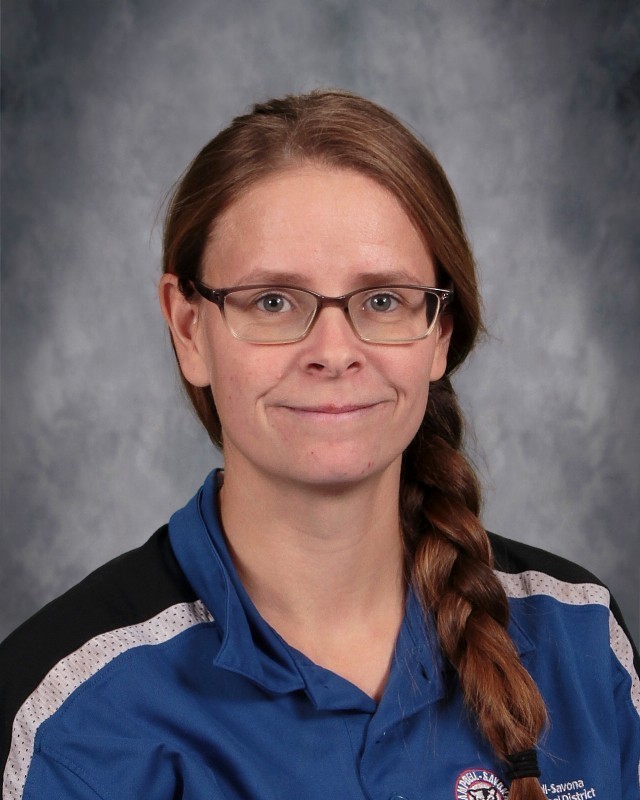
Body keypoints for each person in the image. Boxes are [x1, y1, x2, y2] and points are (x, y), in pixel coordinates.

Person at [1, 89, 638, 800]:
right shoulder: (70, 710)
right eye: (273, 301)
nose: (334, 352)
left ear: (441, 333)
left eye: (383, 300)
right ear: (188, 329)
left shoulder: (579, 636)